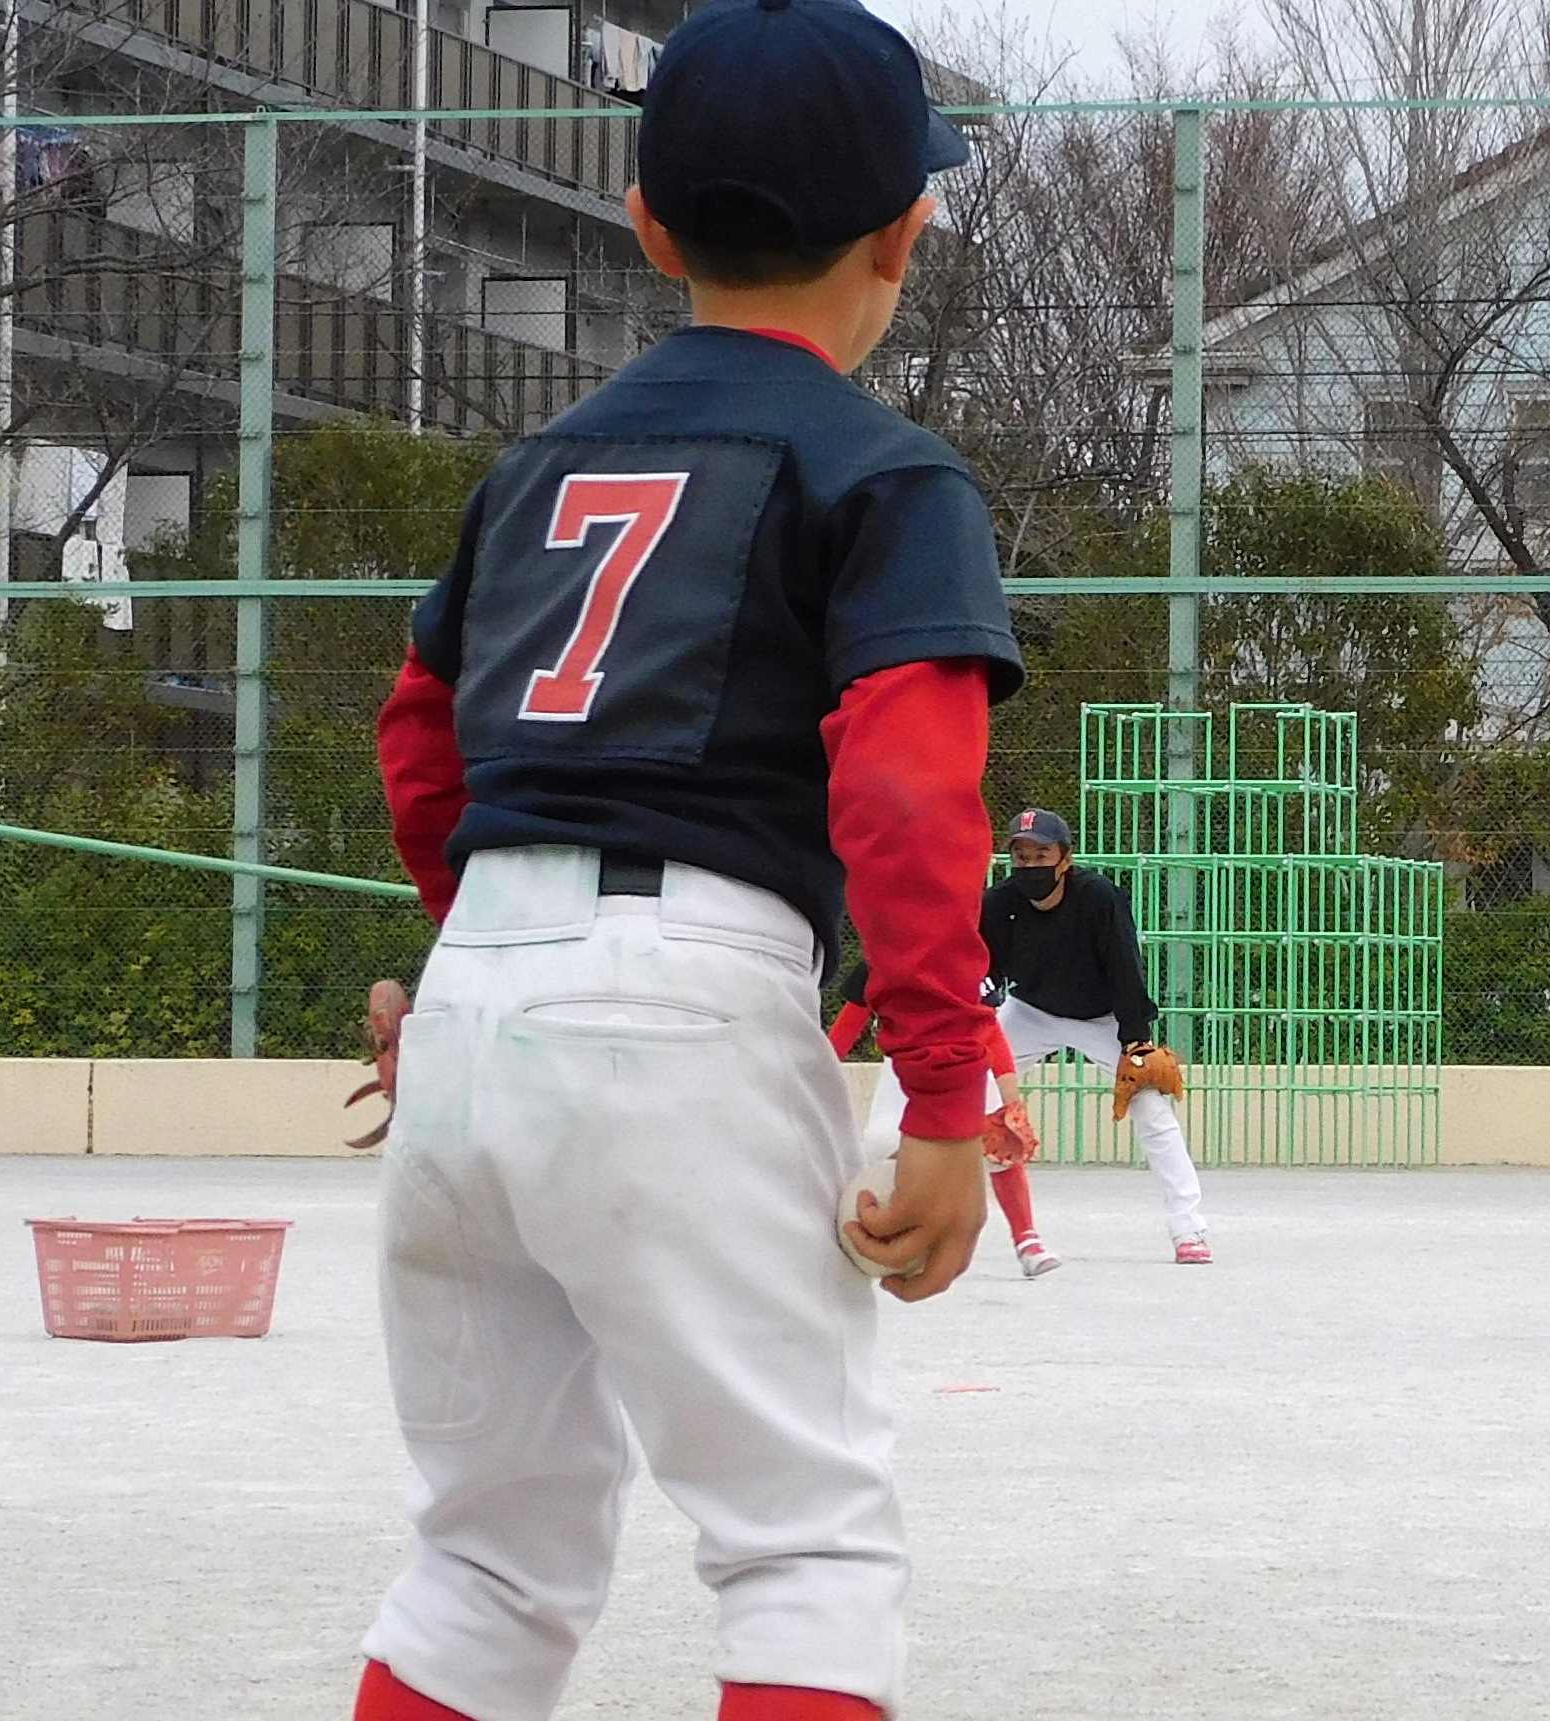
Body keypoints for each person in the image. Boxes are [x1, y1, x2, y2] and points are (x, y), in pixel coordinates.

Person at [351, 4, 1021, 1718]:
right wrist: (948, 1093)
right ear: (907, 232)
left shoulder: (533, 468)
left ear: (646, 225)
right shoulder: (884, 470)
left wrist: (487, 965)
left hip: (477, 1004)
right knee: (803, 1552)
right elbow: (903, 786)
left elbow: (423, 736)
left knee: (486, 1558)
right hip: (691, 1000)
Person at [984, 808, 1210, 1263]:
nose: (1031, 866)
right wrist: (980, 1012)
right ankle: (934, 1210)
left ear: (1065, 859)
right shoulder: (998, 903)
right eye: (1021, 856)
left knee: (1152, 1109)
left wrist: (1137, 1039)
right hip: (1030, 1012)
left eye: (1042, 854)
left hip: (1102, 1019)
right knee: (969, 1088)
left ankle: (1189, 1230)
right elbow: (984, 971)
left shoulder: (1099, 898)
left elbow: (1126, 966)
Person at [832, 961, 1062, 1277]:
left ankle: (1027, 1239)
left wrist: (1011, 1100)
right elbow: (851, 1021)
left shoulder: (966, 959)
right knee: (879, 1144)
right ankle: (863, 1230)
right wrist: (822, 1071)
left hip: (966, 1062)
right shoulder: (880, 959)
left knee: (1001, 1149)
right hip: (906, 1063)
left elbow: (991, 1031)